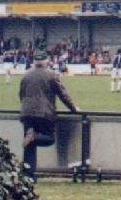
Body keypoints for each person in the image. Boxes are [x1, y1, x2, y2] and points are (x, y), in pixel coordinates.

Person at [19, 50, 80, 182]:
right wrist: (74, 108)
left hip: (26, 113)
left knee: (29, 146)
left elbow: (21, 94)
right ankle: (34, 137)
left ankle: (28, 174)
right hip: (44, 113)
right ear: (46, 61)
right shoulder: (51, 75)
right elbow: (63, 95)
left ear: (34, 62)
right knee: (49, 138)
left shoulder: (26, 75)